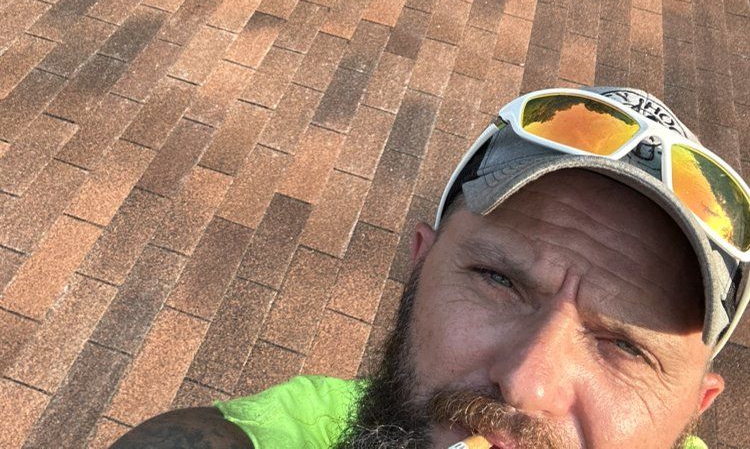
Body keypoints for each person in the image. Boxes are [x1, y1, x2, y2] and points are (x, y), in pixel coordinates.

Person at [110, 86, 750, 449]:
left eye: (625, 348)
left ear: (696, 408)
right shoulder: (309, 428)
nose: (526, 384)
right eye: (498, 281)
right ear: (419, 268)